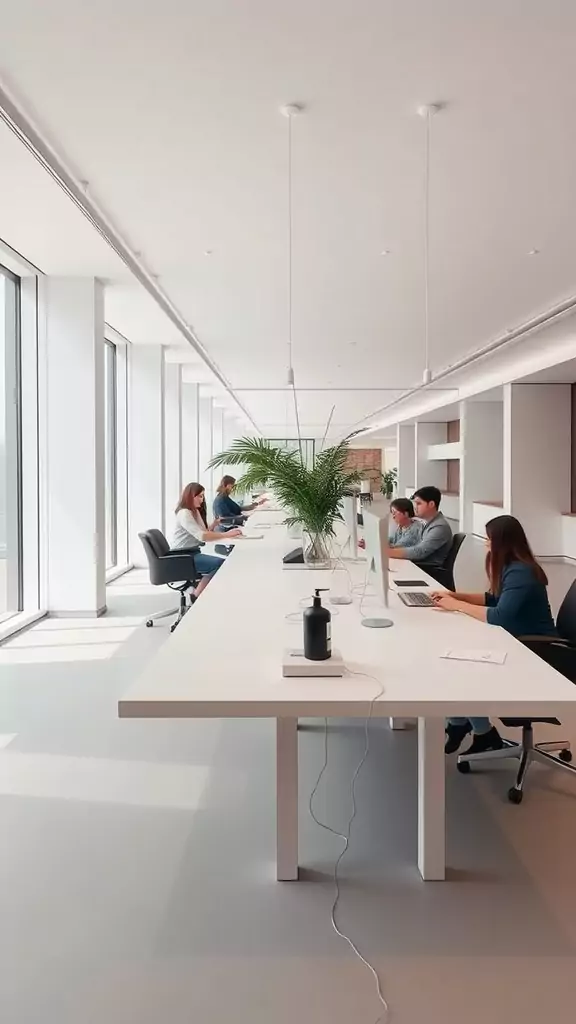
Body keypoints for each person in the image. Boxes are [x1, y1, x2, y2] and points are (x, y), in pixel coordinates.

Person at [433, 515, 557, 756]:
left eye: (489, 539)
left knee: (464, 667)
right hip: (518, 641)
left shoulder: (522, 572)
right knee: (457, 659)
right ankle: (465, 726)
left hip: (539, 653)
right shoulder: (512, 567)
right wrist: (456, 596)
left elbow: (500, 615)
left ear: (503, 542)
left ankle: (480, 732)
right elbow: (493, 599)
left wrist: (455, 606)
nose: (486, 543)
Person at [173, 482, 243, 598]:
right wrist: (226, 534)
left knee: (221, 563)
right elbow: (202, 536)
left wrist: (214, 525)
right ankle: (195, 596)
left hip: (192, 553)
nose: (202, 499)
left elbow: (203, 532)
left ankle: (203, 594)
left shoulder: (194, 511)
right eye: (199, 496)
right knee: (219, 564)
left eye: (203, 496)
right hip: (182, 556)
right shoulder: (184, 513)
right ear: (191, 496)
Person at [386, 486, 452, 575]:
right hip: (418, 568)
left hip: (428, 573)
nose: (415, 507)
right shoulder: (427, 523)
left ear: (431, 504)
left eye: (419, 504)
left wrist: (385, 552)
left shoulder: (439, 527)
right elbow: (410, 545)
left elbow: (419, 552)